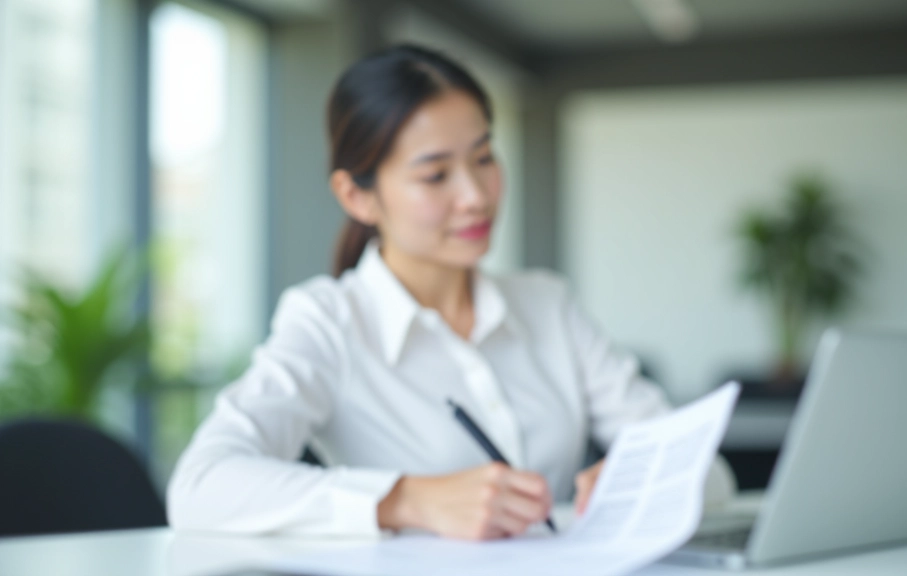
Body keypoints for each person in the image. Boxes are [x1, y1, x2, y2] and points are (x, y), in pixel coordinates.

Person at [167, 44, 734, 541]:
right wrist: (409, 501)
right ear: (358, 196)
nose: (476, 196)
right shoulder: (329, 322)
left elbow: (710, 471)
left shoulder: (546, 304)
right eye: (436, 175)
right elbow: (200, 486)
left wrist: (645, 480)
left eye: (484, 158)